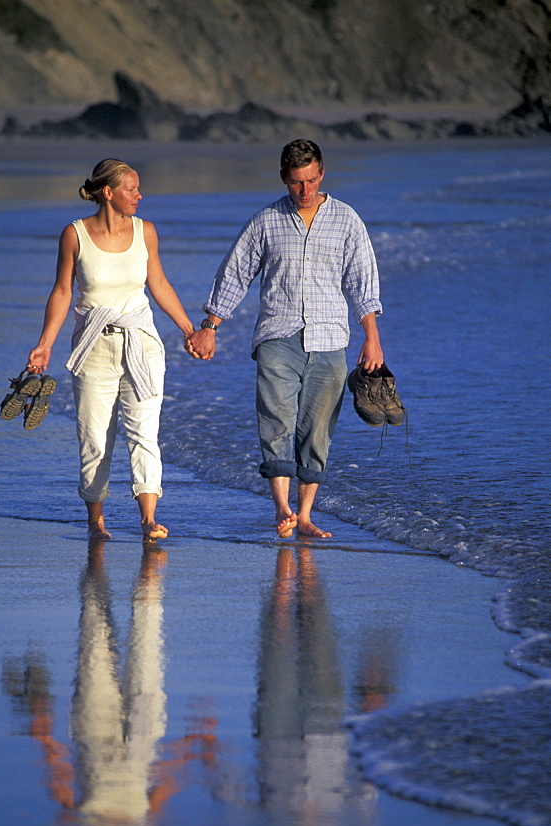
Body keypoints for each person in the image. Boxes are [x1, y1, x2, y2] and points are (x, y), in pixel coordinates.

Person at [186, 139, 384, 539]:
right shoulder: (265, 221)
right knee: (276, 422)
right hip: (278, 336)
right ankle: (282, 508)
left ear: (322, 174)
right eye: (296, 183)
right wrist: (210, 326)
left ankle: (306, 515)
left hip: (330, 340)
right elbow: (235, 272)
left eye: (311, 180)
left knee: (318, 430)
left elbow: (362, 283)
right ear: (284, 179)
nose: (305, 190)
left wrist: (372, 339)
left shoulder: (347, 220)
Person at [27, 158, 196, 542]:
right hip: (93, 347)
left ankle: (148, 519)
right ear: (108, 193)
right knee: (95, 439)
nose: (140, 195)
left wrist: (189, 329)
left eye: (138, 189)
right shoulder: (74, 235)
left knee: (144, 435)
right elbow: (62, 292)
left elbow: (159, 285)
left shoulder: (145, 232)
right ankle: (96, 521)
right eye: (131, 189)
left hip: (142, 343)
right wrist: (45, 345)